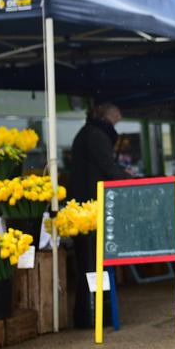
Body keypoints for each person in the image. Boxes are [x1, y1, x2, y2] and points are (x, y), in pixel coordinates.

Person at [69, 102, 128, 328]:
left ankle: (92, 314)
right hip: (91, 206)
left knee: (90, 262)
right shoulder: (96, 135)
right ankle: (94, 315)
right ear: (108, 117)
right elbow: (107, 166)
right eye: (116, 118)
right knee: (93, 262)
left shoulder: (88, 133)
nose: (117, 122)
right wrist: (127, 179)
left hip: (86, 203)